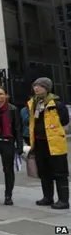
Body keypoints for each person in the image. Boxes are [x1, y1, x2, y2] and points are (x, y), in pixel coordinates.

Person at [27, 77, 69, 210]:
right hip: (39, 144)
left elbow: (64, 120)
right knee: (44, 172)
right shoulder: (33, 104)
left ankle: (63, 200)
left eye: (40, 86)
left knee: (60, 173)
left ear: (47, 88)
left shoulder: (56, 104)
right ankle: (47, 197)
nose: (36, 88)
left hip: (55, 144)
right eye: (35, 86)